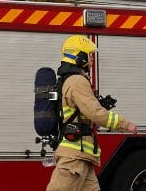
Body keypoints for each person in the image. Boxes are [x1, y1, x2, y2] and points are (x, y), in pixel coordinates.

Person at [46, 35, 137, 191]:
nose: (92, 59)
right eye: (89, 55)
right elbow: (95, 113)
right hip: (73, 158)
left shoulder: (71, 80)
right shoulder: (77, 81)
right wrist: (125, 124)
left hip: (82, 157)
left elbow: (85, 114)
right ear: (80, 56)